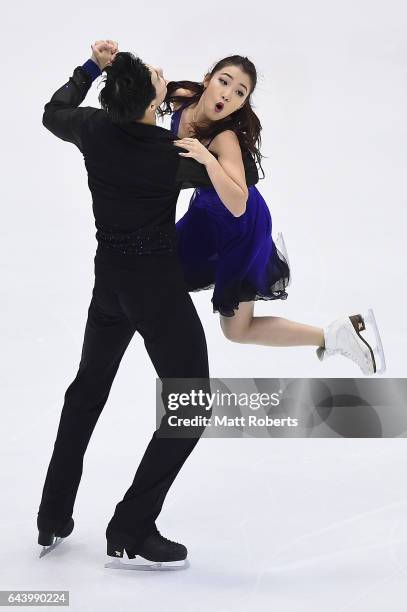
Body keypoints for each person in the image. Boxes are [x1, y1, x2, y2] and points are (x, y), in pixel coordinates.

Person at [36, 41, 257, 570]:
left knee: (87, 389)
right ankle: (133, 525)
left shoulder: (93, 128)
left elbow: (52, 112)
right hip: (154, 290)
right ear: (147, 104)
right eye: (157, 82)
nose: (164, 79)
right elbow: (237, 198)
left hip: (108, 282)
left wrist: (95, 68)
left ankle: (52, 514)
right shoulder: (169, 157)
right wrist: (207, 154)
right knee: (194, 403)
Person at [160, 55, 386, 375]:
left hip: (239, 227)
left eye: (240, 92)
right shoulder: (184, 97)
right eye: (224, 82)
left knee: (237, 330)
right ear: (208, 79)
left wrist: (208, 161)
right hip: (205, 215)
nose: (227, 94)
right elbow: (148, 91)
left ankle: (334, 336)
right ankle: (336, 335)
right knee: (162, 270)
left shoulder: (224, 139)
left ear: (242, 104)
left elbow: (238, 203)